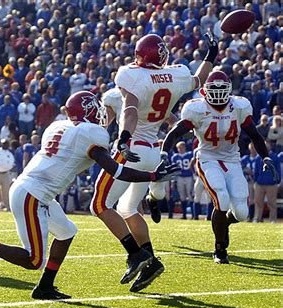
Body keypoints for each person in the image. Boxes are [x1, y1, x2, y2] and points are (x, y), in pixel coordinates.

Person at [0, 91, 179, 300]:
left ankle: (45, 287)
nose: (101, 114)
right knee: (34, 260)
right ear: (89, 111)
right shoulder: (90, 133)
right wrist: (152, 176)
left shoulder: (58, 126)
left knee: (67, 232)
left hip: (36, 191)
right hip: (32, 194)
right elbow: (115, 170)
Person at [90, 33, 217, 292]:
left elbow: (129, 110)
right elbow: (199, 79)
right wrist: (210, 56)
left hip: (134, 149)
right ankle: (151, 262)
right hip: (152, 152)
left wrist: (123, 138)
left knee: (99, 205)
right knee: (127, 208)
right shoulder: (175, 75)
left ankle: (136, 255)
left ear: (139, 55)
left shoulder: (128, 78)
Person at [161, 71, 278, 264]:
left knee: (241, 212)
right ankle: (220, 248)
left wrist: (266, 158)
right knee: (221, 199)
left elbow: (255, 136)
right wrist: (165, 152)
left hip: (232, 159)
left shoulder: (238, 107)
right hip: (207, 158)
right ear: (204, 91)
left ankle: (224, 225)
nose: (217, 93)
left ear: (229, 90)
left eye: (221, 88)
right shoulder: (197, 109)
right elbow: (175, 133)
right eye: (213, 88)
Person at [253, 140, 281, 223]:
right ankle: (257, 218)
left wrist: (277, 182)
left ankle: (272, 219)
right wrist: (256, 181)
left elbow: (278, 170)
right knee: (258, 202)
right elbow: (256, 171)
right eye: (264, 145)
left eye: (267, 145)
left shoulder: (275, 157)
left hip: (271, 184)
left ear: (270, 146)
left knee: (272, 203)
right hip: (259, 184)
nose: (266, 146)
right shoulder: (258, 157)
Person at [0, 139, 15, 211]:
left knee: (6, 191)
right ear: (1, 144)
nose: (5, 145)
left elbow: (11, 164)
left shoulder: (10, 154)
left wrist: (3, 165)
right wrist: (4, 165)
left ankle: (8, 207)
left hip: (6, 174)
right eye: (4, 144)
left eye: (7, 144)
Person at [171, 142, 194, 219]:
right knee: (182, 197)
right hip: (179, 177)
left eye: (182, 147)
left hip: (189, 176)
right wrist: (173, 180)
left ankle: (193, 215)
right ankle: (184, 215)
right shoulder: (175, 157)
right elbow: (173, 169)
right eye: (179, 148)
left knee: (190, 195)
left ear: (185, 147)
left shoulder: (190, 154)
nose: (180, 149)